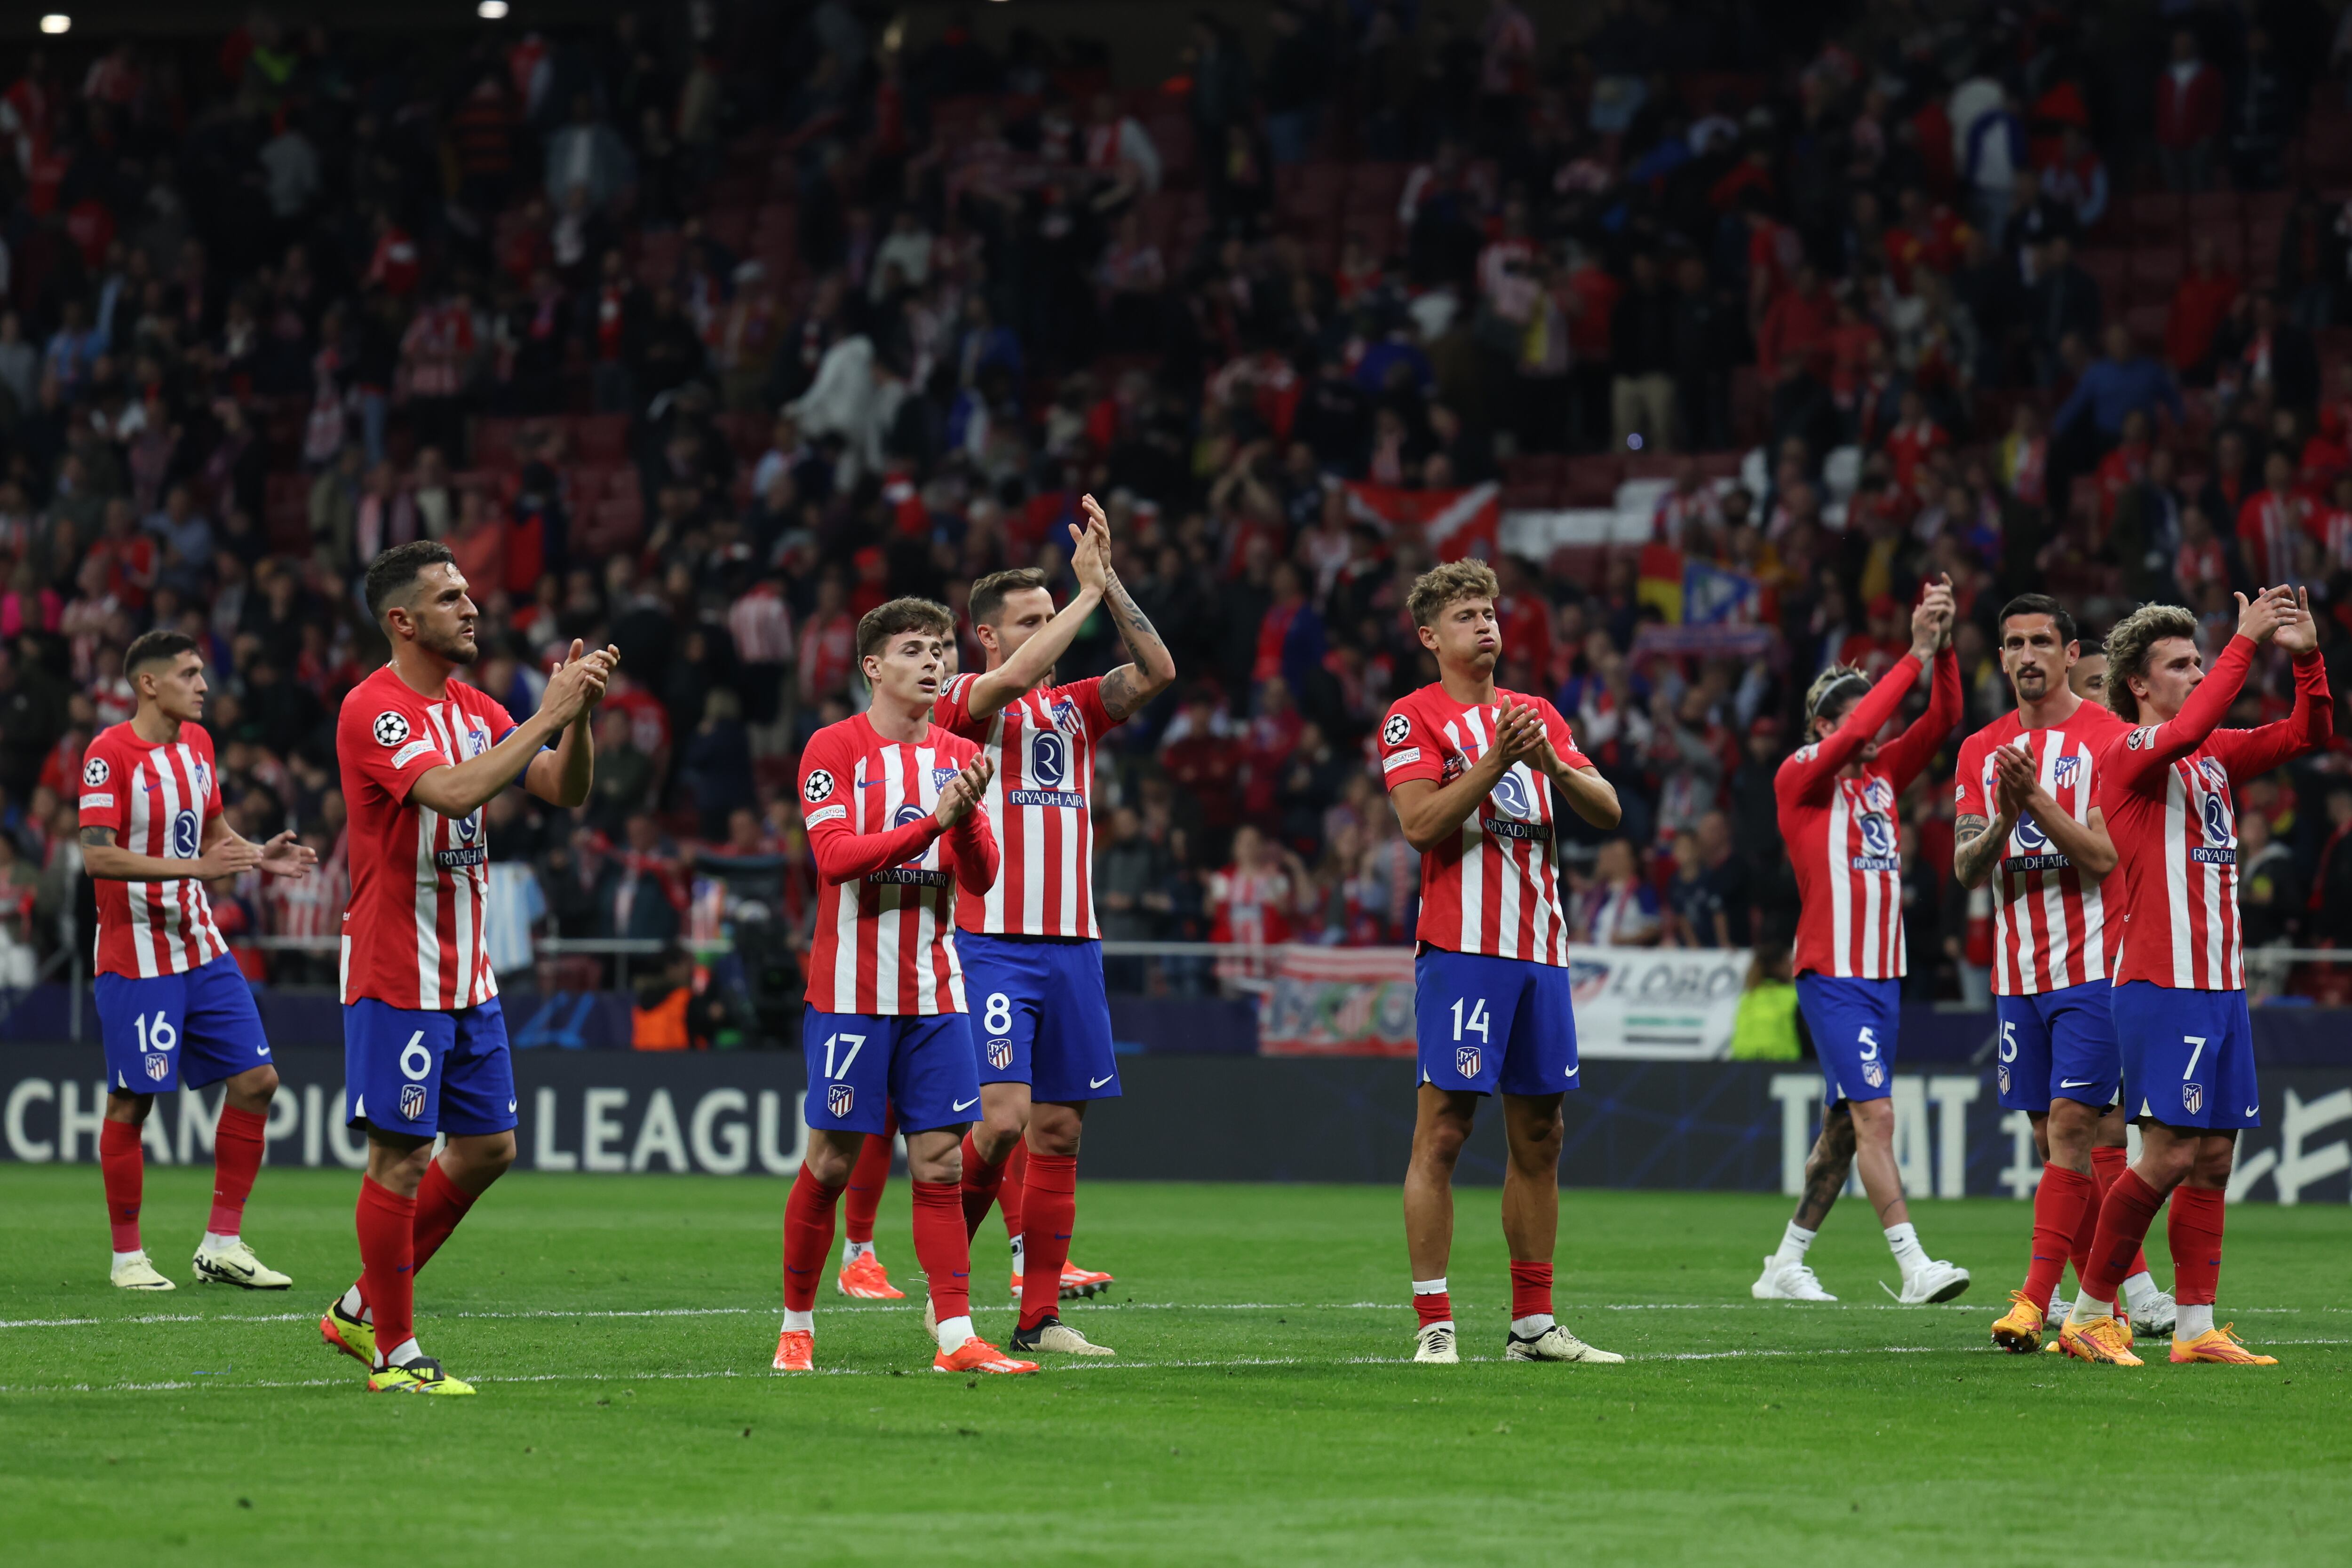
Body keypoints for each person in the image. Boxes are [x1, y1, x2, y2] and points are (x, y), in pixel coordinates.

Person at [322, 540, 617, 1396]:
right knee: (402, 1160)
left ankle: (356, 1306)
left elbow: (563, 789)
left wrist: (580, 715)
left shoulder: (475, 705)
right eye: (450, 598)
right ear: (402, 621)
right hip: (395, 965)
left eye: (468, 593)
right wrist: (546, 711)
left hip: (467, 972)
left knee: (488, 1146)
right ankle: (394, 1353)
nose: (471, 607)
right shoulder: (373, 709)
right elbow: (451, 792)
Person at [929, 495, 1176, 1354]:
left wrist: (1106, 588)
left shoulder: (1074, 710)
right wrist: (1075, 599)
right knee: (999, 1121)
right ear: (989, 634)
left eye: (1052, 614)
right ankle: (948, 1287)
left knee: (1061, 1130)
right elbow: (1005, 683)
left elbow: (1157, 672)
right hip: (989, 940)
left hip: (1073, 944)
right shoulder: (965, 698)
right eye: (1030, 620)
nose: (1051, 630)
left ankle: (1039, 1318)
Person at [2058, 588, 2329, 1367]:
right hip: (2159, 982)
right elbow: (2191, 724)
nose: (2195, 671)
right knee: (2168, 1153)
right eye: (2179, 664)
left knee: (2215, 1157)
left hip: (2220, 985)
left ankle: (2193, 1326)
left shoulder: (2211, 761)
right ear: (2138, 684)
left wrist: (2307, 656)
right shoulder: (2128, 754)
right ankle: (2087, 1312)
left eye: (2198, 661)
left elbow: (2310, 731)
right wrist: (2247, 643)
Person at [774, 597, 1033, 1377]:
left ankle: (955, 1337)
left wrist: (961, 821)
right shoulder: (833, 748)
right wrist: (932, 823)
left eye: (942, 649)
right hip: (851, 991)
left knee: (941, 1165)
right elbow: (837, 858)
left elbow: (983, 875)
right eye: (916, 650)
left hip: (934, 989)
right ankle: (796, 1324)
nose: (934, 662)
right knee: (829, 1162)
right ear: (873, 668)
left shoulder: (958, 754)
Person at [1376, 559, 1625, 1366]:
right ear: (1430, 637)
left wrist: (1551, 762)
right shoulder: (1412, 718)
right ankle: (1434, 1321)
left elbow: (1609, 809)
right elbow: (1420, 825)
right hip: (1461, 953)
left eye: (1490, 612)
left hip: (1539, 951)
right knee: (1445, 1129)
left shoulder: (1538, 715)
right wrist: (1495, 765)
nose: (1486, 625)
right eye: (1466, 616)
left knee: (1543, 1134)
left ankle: (1533, 1324)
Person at [1955, 596, 2175, 1355]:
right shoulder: (1980, 748)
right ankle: (2106, 1304)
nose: (2026, 655)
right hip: (2018, 974)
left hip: (2092, 968)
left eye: (2041, 641)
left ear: (2068, 649)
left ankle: (2035, 1300)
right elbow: (1963, 864)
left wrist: (2035, 804)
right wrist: (1998, 821)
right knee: (2054, 1141)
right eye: (2013, 642)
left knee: (2078, 1129)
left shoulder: (2107, 739)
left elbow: (2106, 856)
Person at [1752, 575, 1970, 1307]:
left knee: (1845, 1130)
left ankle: (1783, 1263)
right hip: (1833, 972)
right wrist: (1910, 654)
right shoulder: (1801, 778)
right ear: (1821, 725)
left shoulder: (1879, 777)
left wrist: (1942, 645)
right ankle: (1914, 1266)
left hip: (1884, 976)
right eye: (1855, 715)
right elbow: (1855, 730)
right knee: (1877, 1116)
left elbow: (1945, 718)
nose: (1872, 728)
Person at [81, 628, 318, 1291]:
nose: (204, 684)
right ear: (149, 684)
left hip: (201, 945)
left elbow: (213, 833)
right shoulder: (109, 753)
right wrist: (196, 867)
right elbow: (96, 856)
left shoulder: (201, 747)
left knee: (258, 1081)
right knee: (134, 1100)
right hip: (136, 953)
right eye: (189, 673)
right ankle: (127, 1256)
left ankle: (222, 1243)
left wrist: (257, 854)